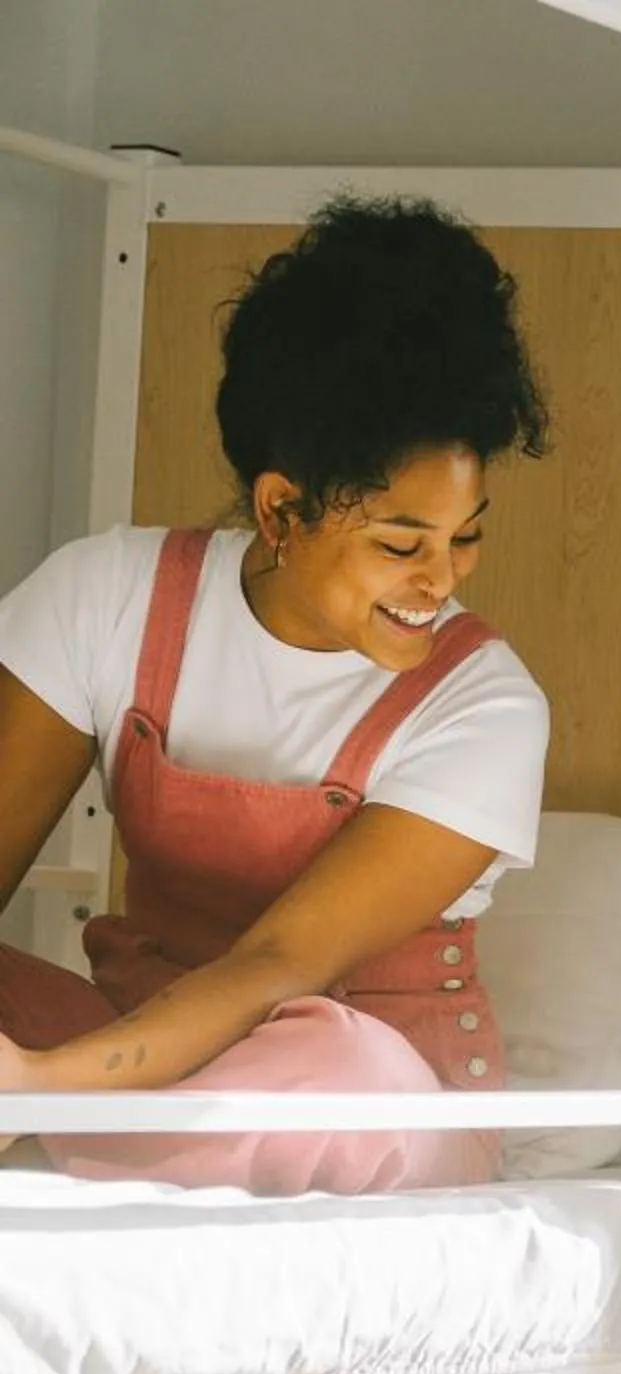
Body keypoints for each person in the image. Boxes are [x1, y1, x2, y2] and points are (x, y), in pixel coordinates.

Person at [0, 194, 551, 1193]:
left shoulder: (484, 705)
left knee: (335, 1069)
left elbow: (274, 967)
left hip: (356, 1101)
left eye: (466, 534)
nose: (444, 579)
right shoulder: (105, 596)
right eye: (400, 544)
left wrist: (36, 1085)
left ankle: (49, 1151)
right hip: (125, 1059)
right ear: (280, 507)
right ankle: (101, 1152)